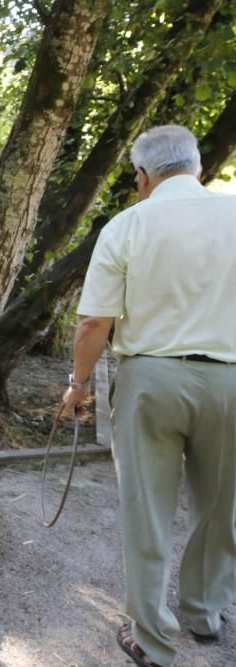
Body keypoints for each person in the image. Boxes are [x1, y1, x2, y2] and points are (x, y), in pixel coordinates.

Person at [62, 125, 236, 667]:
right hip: (231, 380)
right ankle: (206, 613)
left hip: (150, 381)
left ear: (141, 176)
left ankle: (154, 641)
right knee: (220, 507)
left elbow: (95, 321)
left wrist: (79, 384)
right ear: (199, 167)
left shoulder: (128, 224)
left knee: (148, 510)